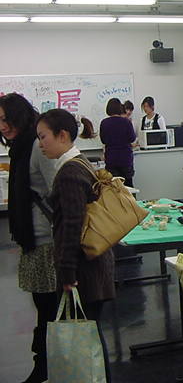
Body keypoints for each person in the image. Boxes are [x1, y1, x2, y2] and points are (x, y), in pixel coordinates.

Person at [36, 108, 114, 381]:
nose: (40, 144)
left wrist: (67, 273)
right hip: (93, 264)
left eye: (43, 137)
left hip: (82, 269)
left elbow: (72, 224)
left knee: (87, 338)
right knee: (91, 335)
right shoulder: (80, 162)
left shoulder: (69, 172)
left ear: (62, 135)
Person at [0, 93, 58, 383]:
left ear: (19, 116)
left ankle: (45, 366)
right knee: (42, 305)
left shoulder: (36, 146)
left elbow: (55, 188)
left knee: (48, 308)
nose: (2, 126)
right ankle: (45, 365)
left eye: (5, 119)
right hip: (32, 239)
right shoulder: (19, 148)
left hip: (46, 242)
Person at [99, 98, 136, 187]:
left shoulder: (104, 123)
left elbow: (103, 140)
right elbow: (132, 138)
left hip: (111, 159)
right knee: (128, 186)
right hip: (125, 159)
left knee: (113, 187)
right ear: (120, 108)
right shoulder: (126, 122)